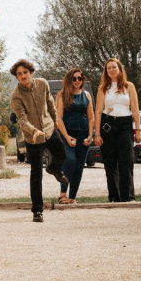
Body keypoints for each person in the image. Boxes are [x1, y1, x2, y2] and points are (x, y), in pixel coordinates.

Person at [9, 59, 68, 223]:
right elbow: (22, 119)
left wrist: (55, 120)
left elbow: (50, 103)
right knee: (36, 174)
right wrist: (34, 130)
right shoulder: (15, 96)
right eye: (19, 74)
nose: (22, 76)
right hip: (33, 137)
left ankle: (54, 169)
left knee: (62, 154)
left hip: (49, 129)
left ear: (31, 73)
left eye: (25, 73)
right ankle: (37, 211)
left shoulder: (42, 84)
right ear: (16, 77)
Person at [94, 58, 141, 203]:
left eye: (114, 67)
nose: (111, 70)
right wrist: (97, 133)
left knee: (126, 161)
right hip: (108, 125)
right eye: (108, 68)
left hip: (125, 124)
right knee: (110, 162)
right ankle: (114, 197)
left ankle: (128, 196)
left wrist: (138, 130)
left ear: (120, 69)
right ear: (106, 71)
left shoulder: (129, 86)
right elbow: (98, 112)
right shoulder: (103, 88)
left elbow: (135, 109)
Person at [55, 68, 95, 205]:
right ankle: (62, 194)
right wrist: (66, 137)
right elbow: (58, 119)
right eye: (74, 78)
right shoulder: (62, 95)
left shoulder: (87, 95)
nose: (77, 81)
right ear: (69, 80)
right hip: (67, 133)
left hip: (83, 134)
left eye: (80, 78)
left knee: (79, 165)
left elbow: (91, 117)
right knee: (70, 160)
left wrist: (90, 135)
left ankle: (72, 197)